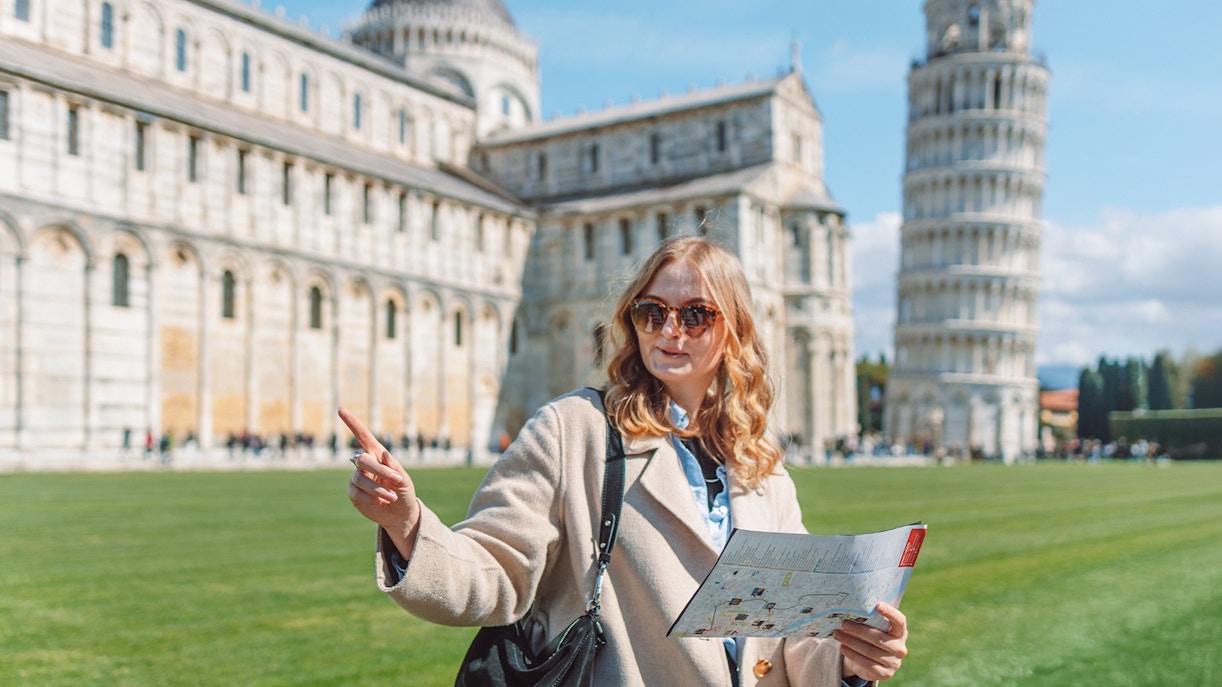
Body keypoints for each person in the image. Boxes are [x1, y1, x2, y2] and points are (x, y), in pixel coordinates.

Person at [342, 236, 908, 686]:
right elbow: (495, 573)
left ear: (733, 332)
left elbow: (784, 636)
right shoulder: (575, 431)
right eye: (651, 311)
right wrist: (409, 525)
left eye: (695, 316)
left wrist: (851, 662)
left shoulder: (762, 468)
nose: (668, 330)